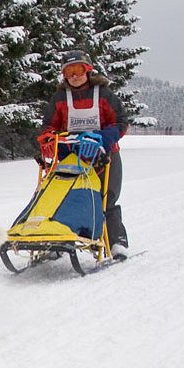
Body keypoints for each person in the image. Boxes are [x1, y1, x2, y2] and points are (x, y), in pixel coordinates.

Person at [38, 50, 131, 260]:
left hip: (103, 156)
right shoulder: (60, 98)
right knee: (63, 196)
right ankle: (58, 238)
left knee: (106, 198)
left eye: (78, 69)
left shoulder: (104, 94)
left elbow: (121, 123)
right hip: (71, 157)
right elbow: (48, 126)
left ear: (87, 70)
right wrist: (48, 140)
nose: (74, 76)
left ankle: (117, 241)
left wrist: (101, 138)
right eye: (69, 71)